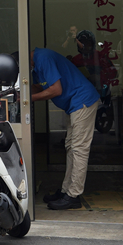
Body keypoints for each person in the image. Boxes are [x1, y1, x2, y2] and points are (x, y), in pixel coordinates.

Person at [31, 46, 101, 210]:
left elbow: (55, 89)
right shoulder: (37, 63)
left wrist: (28, 99)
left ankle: (73, 195)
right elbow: (40, 86)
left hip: (83, 102)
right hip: (74, 104)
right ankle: (66, 191)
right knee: (70, 146)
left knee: (78, 148)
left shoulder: (43, 58)